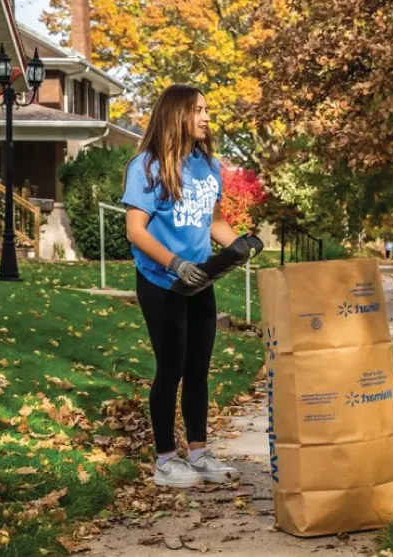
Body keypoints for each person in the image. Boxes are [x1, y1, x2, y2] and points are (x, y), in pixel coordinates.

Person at [122, 84, 251, 487]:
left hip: (200, 280)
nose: (206, 117)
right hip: (161, 281)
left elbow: (211, 222)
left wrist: (239, 245)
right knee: (171, 367)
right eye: (198, 110)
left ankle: (199, 453)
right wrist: (174, 264)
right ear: (177, 114)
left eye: (207, 109)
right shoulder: (147, 166)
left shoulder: (208, 167)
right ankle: (165, 460)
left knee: (198, 368)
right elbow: (135, 230)